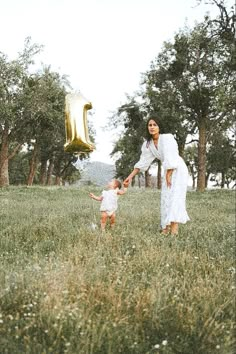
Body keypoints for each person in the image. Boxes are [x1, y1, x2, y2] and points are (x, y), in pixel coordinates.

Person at [124, 116, 190, 235]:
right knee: (166, 197)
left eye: (155, 125)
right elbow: (143, 162)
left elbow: (172, 156)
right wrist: (130, 177)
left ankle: (174, 232)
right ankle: (165, 228)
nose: (152, 127)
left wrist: (169, 174)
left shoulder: (167, 138)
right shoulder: (148, 144)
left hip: (177, 169)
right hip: (167, 170)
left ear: (159, 127)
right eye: (150, 125)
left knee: (174, 198)